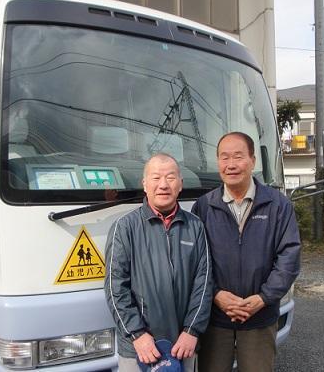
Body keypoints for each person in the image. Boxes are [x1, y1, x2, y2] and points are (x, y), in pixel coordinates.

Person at [192, 132, 301, 372]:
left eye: (238, 156)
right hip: (215, 318)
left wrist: (263, 298)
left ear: (252, 160)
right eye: (224, 157)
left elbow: (289, 257)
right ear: (218, 162)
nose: (231, 165)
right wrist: (216, 295)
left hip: (259, 317)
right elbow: (196, 262)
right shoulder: (204, 206)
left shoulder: (277, 205)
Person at [104, 153, 212, 372]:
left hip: (183, 344)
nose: (163, 185)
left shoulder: (195, 227)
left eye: (170, 177)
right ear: (145, 184)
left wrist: (192, 331)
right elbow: (116, 289)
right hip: (140, 347)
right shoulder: (124, 228)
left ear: (180, 184)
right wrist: (137, 334)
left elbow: (205, 283)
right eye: (155, 178)